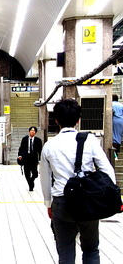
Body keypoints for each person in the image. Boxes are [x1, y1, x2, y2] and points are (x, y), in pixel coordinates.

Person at [40, 99, 116, 264]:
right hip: (87, 201)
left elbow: (45, 179)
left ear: (56, 120)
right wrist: (108, 195)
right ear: (78, 120)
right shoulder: (90, 140)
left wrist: (48, 204)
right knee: (91, 249)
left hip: (61, 201)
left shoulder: (49, 146)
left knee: (65, 251)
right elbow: (107, 170)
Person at [18, 126, 42, 191]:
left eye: (34, 131)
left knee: (35, 174)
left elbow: (40, 151)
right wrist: (19, 155)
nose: (32, 131)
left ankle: (31, 180)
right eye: (31, 130)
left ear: (35, 132)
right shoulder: (25, 139)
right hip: (26, 158)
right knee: (27, 173)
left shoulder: (38, 140)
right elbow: (21, 148)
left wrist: (41, 159)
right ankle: (30, 186)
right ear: (29, 131)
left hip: (34, 159)